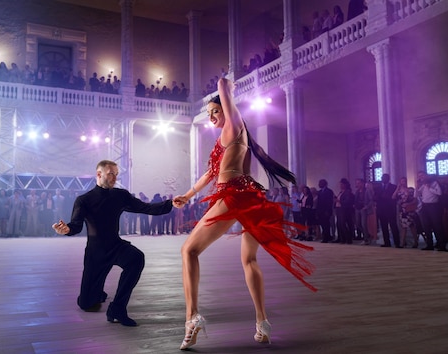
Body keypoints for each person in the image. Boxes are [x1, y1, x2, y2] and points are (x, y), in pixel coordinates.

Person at [172, 78, 315, 350]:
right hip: (252, 196)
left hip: (235, 196)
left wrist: (227, 87)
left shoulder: (234, 127)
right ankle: (262, 324)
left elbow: (223, 84)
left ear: (228, 110)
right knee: (249, 259)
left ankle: (191, 318)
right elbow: (210, 174)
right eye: (210, 113)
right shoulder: (229, 139)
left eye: (217, 110)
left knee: (188, 251)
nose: (213, 116)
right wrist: (188, 195)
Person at [52, 160, 173, 327]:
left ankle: (117, 308)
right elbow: (76, 226)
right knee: (87, 304)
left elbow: (145, 208)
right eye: (111, 173)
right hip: (96, 253)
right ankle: (94, 293)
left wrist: (171, 204)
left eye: (116, 174)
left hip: (115, 246)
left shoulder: (120, 195)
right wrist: (66, 230)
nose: (114, 177)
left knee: (137, 258)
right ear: (99, 174)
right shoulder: (84, 200)